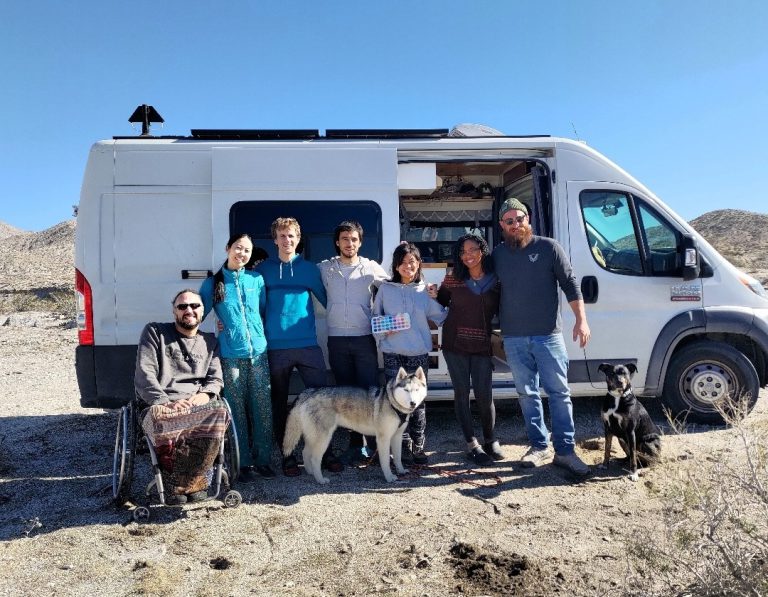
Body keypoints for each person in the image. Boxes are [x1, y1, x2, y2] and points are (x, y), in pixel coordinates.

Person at [492, 198, 592, 476]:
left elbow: (571, 284)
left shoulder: (549, 248)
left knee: (559, 393)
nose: (515, 225)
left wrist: (581, 321)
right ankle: (538, 446)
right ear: (502, 225)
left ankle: (565, 451)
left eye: (519, 219)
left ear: (528, 219)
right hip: (513, 337)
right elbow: (478, 280)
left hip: (548, 336)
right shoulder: (498, 255)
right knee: (527, 394)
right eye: (509, 221)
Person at [255, 217, 336, 477]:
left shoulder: (310, 270)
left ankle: (325, 452)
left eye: (291, 236)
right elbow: (257, 309)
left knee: (321, 400)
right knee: (278, 404)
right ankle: (287, 455)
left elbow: (328, 302)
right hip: (275, 348)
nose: (287, 240)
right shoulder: (263, 271)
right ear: (275, 240)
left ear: (298, 239)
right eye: (282, 236)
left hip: (307, 345)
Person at [134, 289, 227, 505]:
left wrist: (203, 397)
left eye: (195, 306)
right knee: (160, 416)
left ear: (203, 311)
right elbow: (144, 372)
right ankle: (189, 481)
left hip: (197, 407)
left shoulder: (210, 342)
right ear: (174, 311)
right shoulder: (155, 332)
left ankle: (182, 482)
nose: (189, 310)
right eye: (182, 306)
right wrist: (164, 402)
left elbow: (215, 380)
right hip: (163, 406)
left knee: (220, 412)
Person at [200, 233, 274, 482]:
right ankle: (242, 463)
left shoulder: (257, 279)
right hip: (231, 355)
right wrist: (217, 331)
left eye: (247, 250)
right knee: (237, 410)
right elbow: (198, 315)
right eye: (238, 248)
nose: (242, 253)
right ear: (227, 248)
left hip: (259, 353)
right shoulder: (213, 283)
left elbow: (262, 311)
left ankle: (264, 459)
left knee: (262, 407)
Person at [318, 220, 389, 465]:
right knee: (346, 395)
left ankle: (376, 444)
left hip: (363, 338)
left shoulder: (371, 268)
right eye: (345, 239)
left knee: (369, 392)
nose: (350, 243)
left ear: (360, 242)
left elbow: (394, 286)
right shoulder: (325, 269)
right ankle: (356, 444)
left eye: (355, 239)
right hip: (337, 339)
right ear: (337, 242)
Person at [372, 242, 447, 465]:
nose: (408, 266)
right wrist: (386, 329)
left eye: (412, 262)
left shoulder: (425, 290)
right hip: (393, 353)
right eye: (403, 262)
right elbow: (375, 320)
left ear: (418, 264)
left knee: (418, 402)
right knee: (396, 401)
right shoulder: (385, 289)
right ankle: (401, 445)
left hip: (418, 354)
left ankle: (418, 446)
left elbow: (441, 316)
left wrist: (440, 296)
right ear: (396, 266)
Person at [437, 233, 502, 466]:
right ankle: (471, 443)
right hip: (455, 345)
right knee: (462, 393)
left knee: (485, 395)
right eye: (463, 252)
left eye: (473, 249)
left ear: (482, 250)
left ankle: (490, 439)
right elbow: (440, 303)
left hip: (482, 344)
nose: (468, 255)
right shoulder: (453, 279)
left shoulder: (496, 281)